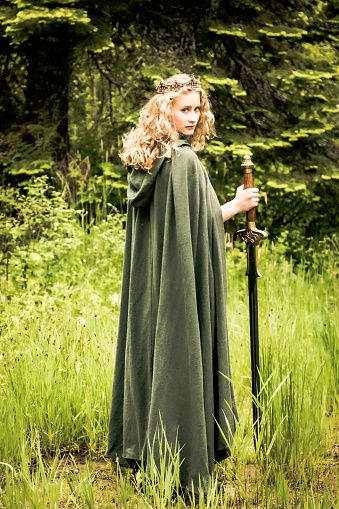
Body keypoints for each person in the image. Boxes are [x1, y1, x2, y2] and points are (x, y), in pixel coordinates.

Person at [106, 74, 259, 492]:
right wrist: (236, 205)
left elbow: (172, 225)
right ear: (164, 110)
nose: (191, 117)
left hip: (150, 286)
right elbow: (198, 225)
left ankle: (145, 456)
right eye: (183, 109)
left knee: (154, 354)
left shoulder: (147, 158)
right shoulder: (184, 161)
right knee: (180, 358)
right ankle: (182, 470)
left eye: (196, 109)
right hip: (177, 285)